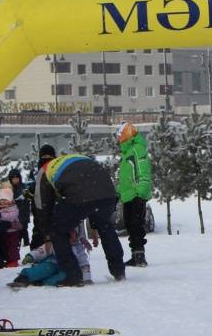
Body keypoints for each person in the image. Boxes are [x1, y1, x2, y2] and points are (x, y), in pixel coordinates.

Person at [36, 153, 126, 286]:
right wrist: (94, 225)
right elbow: (92, 192)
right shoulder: (70, 160)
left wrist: (47, 234)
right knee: (105, 226)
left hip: (80, 195)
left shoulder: (44, 172)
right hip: (108, 193)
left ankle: (73, 275)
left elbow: (42, 207)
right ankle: (118, 270)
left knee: (57, 230)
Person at [116, 122, 152, 267]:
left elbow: (142, 169)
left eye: (120, 135)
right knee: (130, 225)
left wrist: (141, 189)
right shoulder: (127, 152)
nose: (119, 139)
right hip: (128, 194)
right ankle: (135, 254)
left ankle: (140, 257)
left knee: (136, 225)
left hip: (136, 193)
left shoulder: (137, 149)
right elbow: (125, 175)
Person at [24, 144, 56, 249]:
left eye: (49, 157)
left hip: (55, 205)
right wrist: (30, 192)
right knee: (39, 230)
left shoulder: (57, 168)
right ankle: (36, 252)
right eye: (44, 157)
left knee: (55, 230)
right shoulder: (35, 172)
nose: (47, 159)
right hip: (38, 207)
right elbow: (28, 186)